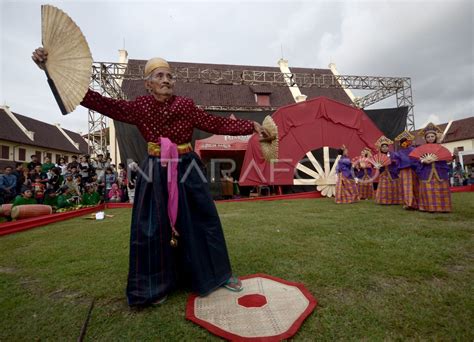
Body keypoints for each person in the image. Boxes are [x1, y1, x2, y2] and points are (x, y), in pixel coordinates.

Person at [33, 49, 270, 307]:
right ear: (148, 84)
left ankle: (216, 276)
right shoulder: (140, 107)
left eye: (169, 75)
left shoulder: (186, 106)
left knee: (203, 220)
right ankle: (153, 286)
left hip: (187, 169)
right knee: (152, 227)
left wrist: (251, 126)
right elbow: (99, 102)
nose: (166, 79)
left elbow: (215, 122)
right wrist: (51, 70)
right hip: (155, 170)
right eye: (160, 75)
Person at [413, 123, 452, 213]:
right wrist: (423, 161)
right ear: (425, 138)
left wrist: (451, 157)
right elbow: (416, 160)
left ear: (435, 137)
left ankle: (443, 208)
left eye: (432, 136)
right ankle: (429, 208)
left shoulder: (440, 148)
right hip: (426, 172)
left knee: (440, 190)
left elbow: (445, 158)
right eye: (428, 137)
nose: (430, 138)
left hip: (439, 171)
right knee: (428, 190)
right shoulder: (421, 148)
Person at [393, 131, 419, 210]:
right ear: (400, 144)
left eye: (406, 141)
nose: (404, 143)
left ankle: (417, 202)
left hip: (413, 170)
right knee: (406, 187)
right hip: (404, 171)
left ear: (409, 141)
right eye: (402, 142)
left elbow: (417, 159)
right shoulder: (398, 153)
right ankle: (409, 203)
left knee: (415, 186)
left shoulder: (414, 150)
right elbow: (397, 162)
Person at [374, 136, 402, 205]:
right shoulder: (378, 156)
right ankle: (384, 201)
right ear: (380, 148)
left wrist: (393, 161)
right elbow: (374, 163)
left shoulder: (393, 154)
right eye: (383, 147)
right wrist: (377, 165)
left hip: (393, 172)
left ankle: (395, 201)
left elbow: (398, 161)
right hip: (383, 173)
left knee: (394, 187)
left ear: (388, 147)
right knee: (384, 187)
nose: (384, 148)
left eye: (386, 147)